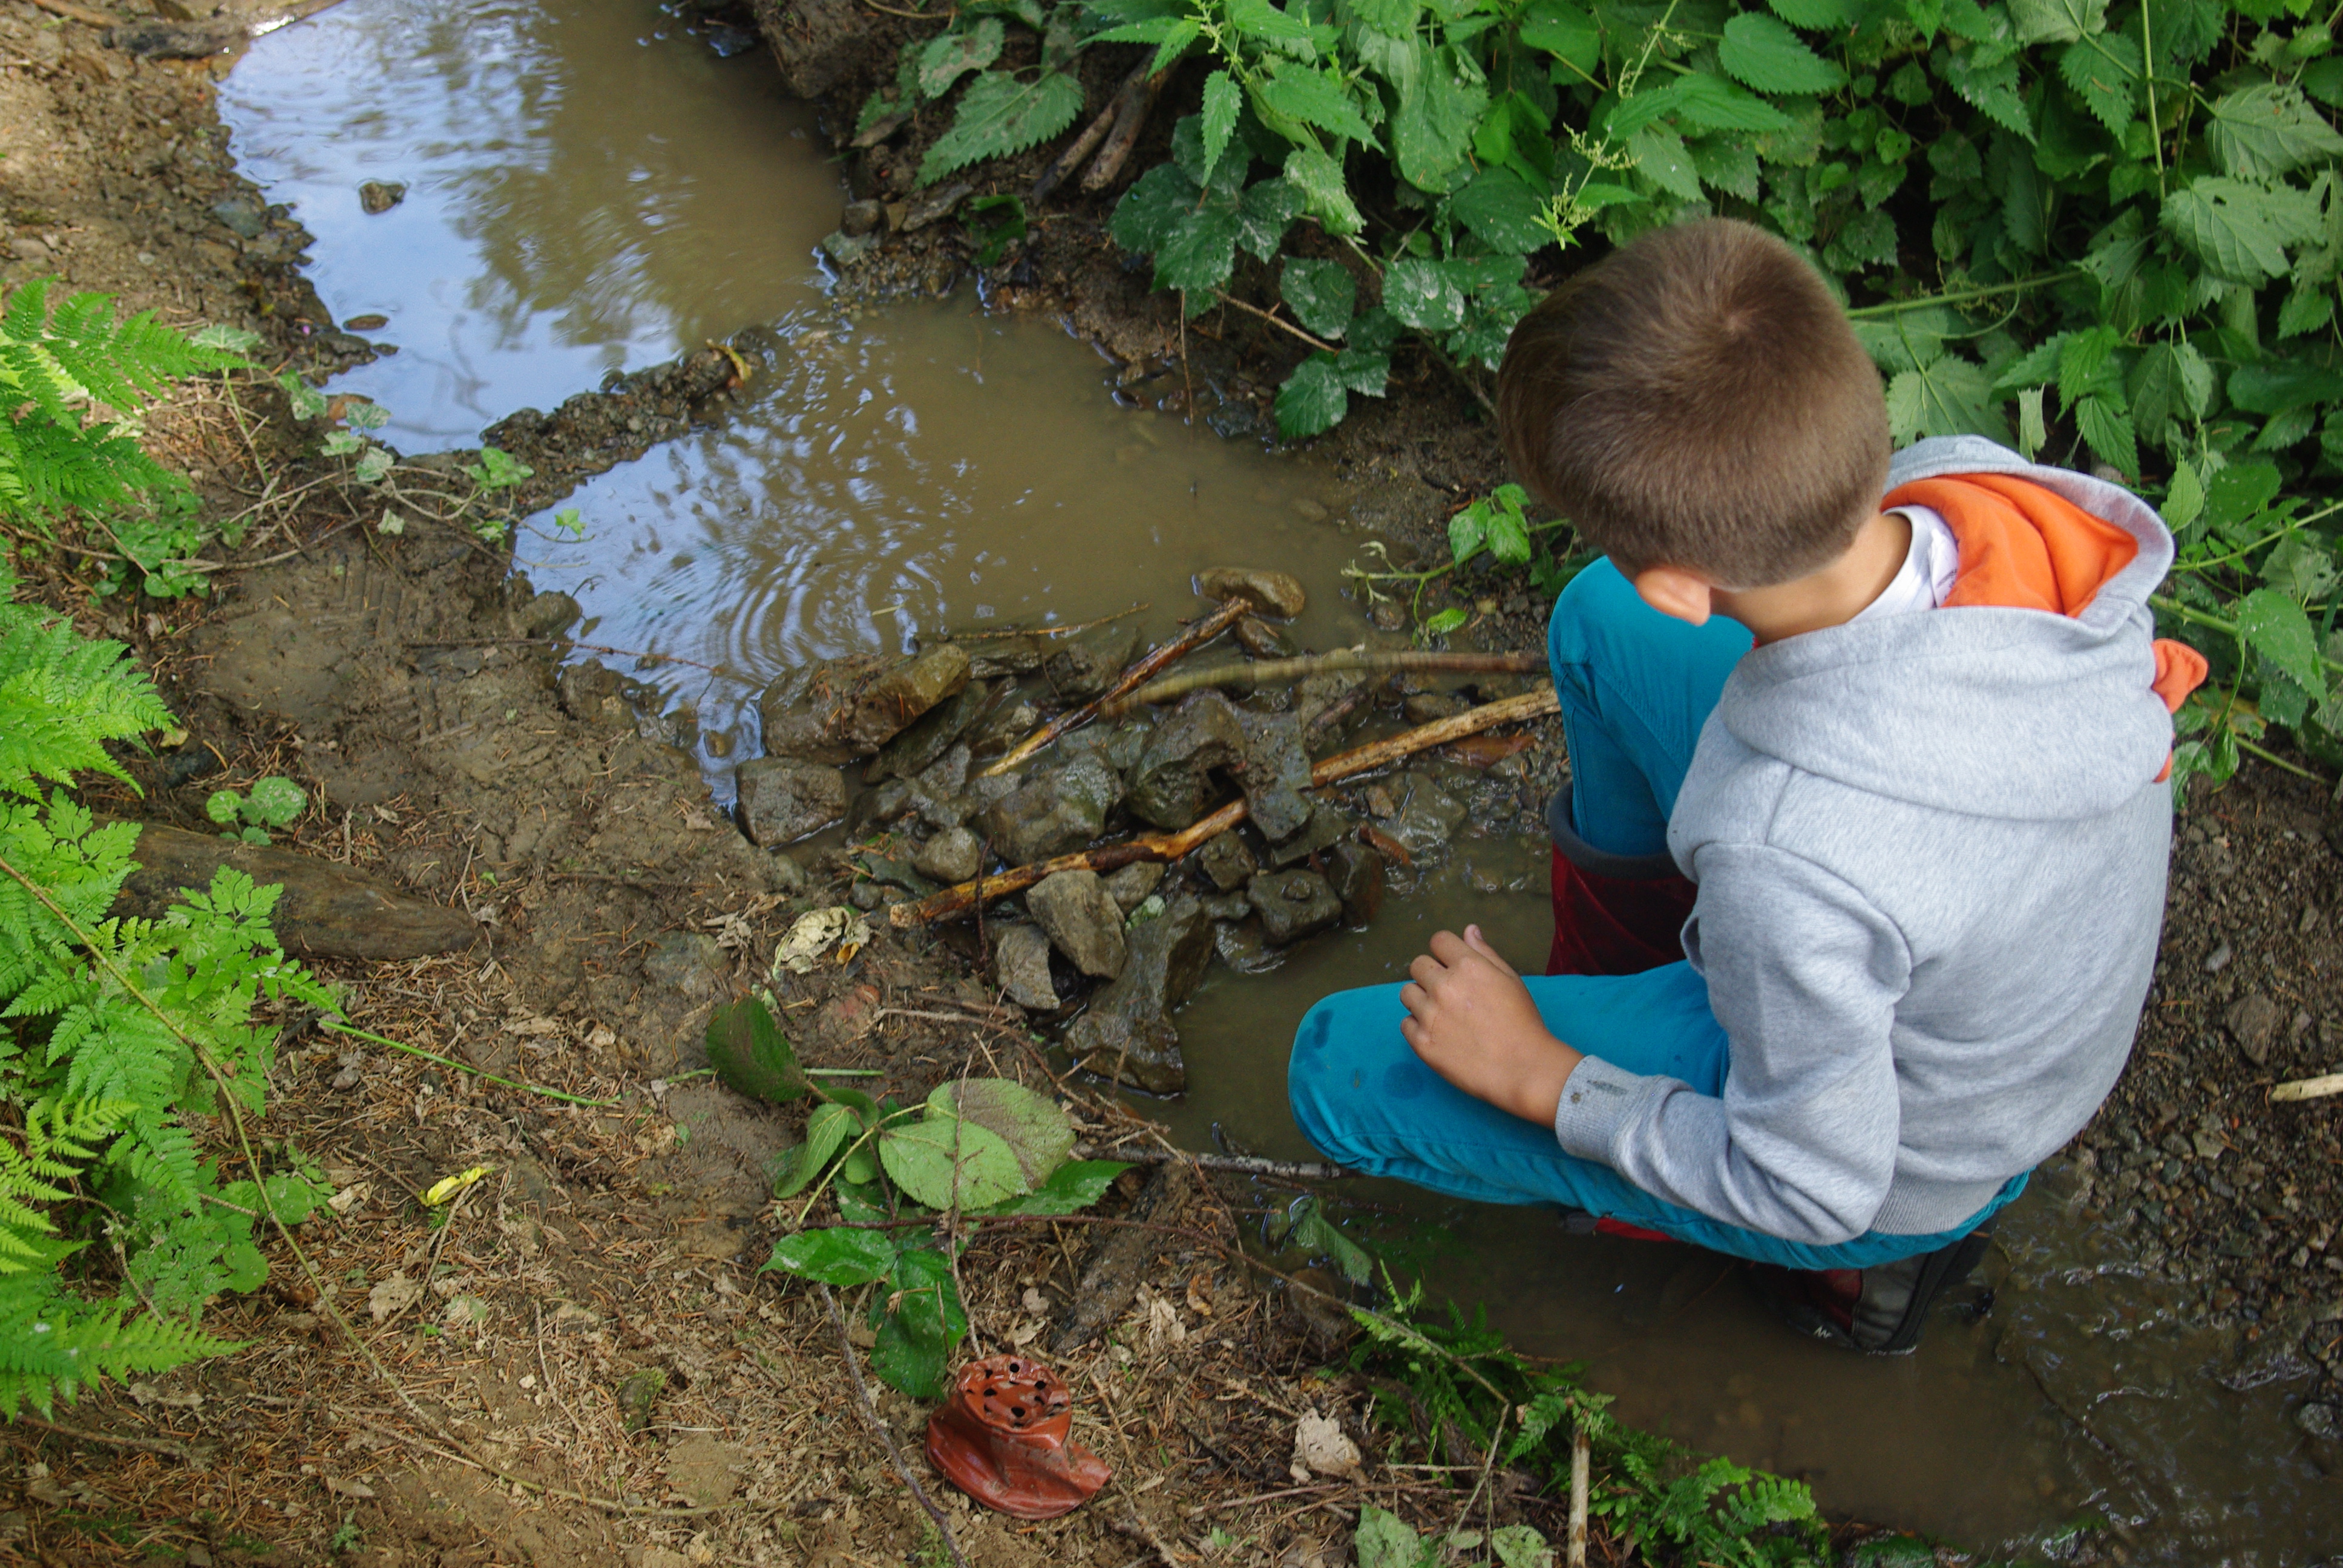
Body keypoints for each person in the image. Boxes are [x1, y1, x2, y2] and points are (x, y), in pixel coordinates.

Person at [1286, 218, 2206, 1354]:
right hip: (1989, 961)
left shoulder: (1793, 859)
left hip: (1893, 1163)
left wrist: (1552, 1081)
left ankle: (1857, 1282)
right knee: (1594, 622)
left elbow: (1818, 1184)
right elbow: (1802, 845)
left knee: (1337, 1063)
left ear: (1685, 584)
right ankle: (1630, 983)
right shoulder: (1977, 498)